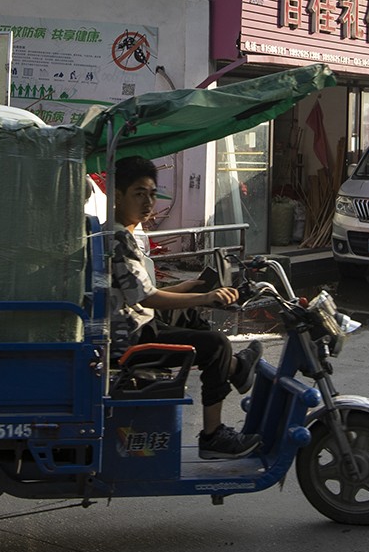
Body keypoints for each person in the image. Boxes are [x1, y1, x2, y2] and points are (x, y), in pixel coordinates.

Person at [106, 155, 260, 459]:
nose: (148, 202)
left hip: (135, 323)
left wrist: (185, 289)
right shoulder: (118, 238)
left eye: (152, 193)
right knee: (215, 345)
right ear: (118, 195)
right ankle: (213, 436)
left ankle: (236, 369)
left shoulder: (125, 232)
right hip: (129, 340)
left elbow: (141, 292)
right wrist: (205, 297)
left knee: (188, 311)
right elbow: (146, 299)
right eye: (139, 194)